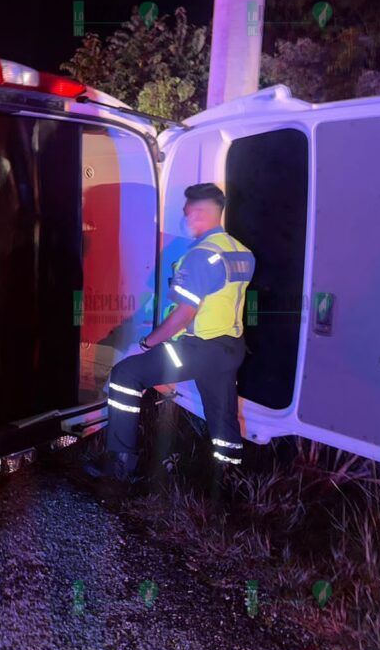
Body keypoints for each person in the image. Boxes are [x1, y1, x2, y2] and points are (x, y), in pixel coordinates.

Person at [83, 182, 256, 495]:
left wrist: (149, 342)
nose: (186, 220)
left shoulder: (202, 256)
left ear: (203, 213)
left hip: (199, 347)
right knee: (222, 413)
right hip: (231, 347)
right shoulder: (241, 252)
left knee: (125, 375)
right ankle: (230, 482)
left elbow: (185, 313)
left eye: (189, 214)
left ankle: (121, 464)